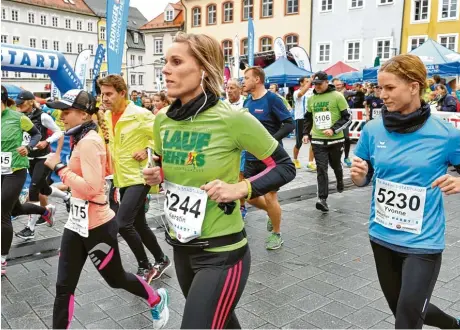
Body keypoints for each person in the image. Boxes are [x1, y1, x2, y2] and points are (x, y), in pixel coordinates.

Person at [143, 32, 295, 329]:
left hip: (222, 254)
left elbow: (285, 166)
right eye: (165, 62)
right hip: (181, 246)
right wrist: (156, 175)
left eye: (176, 61)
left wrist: (241, 188)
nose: (165, 69)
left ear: (203, 69)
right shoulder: (162, 119)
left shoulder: (232, 119)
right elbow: (164, 170)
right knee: (222, 323)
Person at [351, 54, 460, 330]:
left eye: (389, 88)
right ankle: (457, 326)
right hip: (382, 236)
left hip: (423, 243)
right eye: (379, 88)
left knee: (406, 319)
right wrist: (359, 178)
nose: (381, 95)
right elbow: (365, 178)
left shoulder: (446, 135)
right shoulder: (372, 131)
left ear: (414, 86)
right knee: (403, 308)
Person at [43, 89, 169, 329]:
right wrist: (61, 181)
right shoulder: (81, 138)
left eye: (66, 111)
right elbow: (85, 181)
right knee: (63, 287)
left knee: (116, 279)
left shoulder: (90, 142)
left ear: (82, 114)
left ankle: (156, 298)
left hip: (98, 226)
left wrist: (59, 168)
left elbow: (92, 188)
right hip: (76, 224)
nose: (61, 116)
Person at [99, 75, 170, 282]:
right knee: (139, 224)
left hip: (141, 176)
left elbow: (163, 136)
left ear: (122, 93)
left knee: (122, 223)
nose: (105, 98)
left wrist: (148, 148)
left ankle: (145, 265)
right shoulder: (106, 116)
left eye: (109, 94)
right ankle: (161, 258)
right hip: (122, 177)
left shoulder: (140, 114)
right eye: (103, 94)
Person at [243, 66, 295, 250]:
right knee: (249, 196)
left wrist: (271, 140)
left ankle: (276, 233)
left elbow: (289, 124)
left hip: (270, 159)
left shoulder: (272, 99)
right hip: (250, 157)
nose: (244, 81)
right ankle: (272, 214)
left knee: (271, 197)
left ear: (257, 79)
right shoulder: (247, 102)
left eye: (247, 78)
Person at [14, 90, 69, 240]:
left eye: (21, 103)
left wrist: (47, 141)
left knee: (33, 190)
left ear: (31, 102)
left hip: (43, 158)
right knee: (43, 188)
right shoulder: (21, 117)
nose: (19, 106)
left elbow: (59, 132)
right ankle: (66, 196)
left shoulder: (43, 116)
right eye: (17, 104)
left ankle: (29, 229)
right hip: (29, 158)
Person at [1, 86, 43, 275]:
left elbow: (36, 134)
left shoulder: (18, 118)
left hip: (16, 170)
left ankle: (2, 260)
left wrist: (28, 147)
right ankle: (44, 211)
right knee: (15, 209)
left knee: (2, 212)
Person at [303, 71, 351, 212]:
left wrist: (333, 129)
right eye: (315, 84)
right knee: (321, 169)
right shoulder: (311, 99)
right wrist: (306, 133)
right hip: (318, 140)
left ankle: (340, 180)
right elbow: (308, 118)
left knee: (336, 165)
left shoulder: (337, 96)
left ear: (326, 82)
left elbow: (347, 117)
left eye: (319, 84)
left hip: (335, 140)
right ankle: (322, 199)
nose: (316, 87)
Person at [225, 79, 248, 219]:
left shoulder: (247, 102)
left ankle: (242, 205)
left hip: (242, 145)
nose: (229, 90)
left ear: (240, 89)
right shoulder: (223, 104)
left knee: (240, 175)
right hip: (227, 144)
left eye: (232, 87)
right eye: (227, 87)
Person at [293, 76, 316, 171]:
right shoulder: (296, 92)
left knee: (314, 141)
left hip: (310, 119)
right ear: (301, 83)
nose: (308, 83)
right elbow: (301, 93)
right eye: (306, 81)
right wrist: (310, 81)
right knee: (299, 142)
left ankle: (310, 162)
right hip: (300, 119)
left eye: (309, 81)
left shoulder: (311, 91)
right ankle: (295, 160)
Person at [333, 78, 353, 168]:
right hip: (334, 121)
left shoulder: (346, 93)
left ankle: (346, 157)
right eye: (336, 85)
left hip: (343, 120)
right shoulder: (331, 94)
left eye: (339, 84)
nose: (338, 86)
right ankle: (337, 159)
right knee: (337, 142)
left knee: (347, 138)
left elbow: (358, 93)